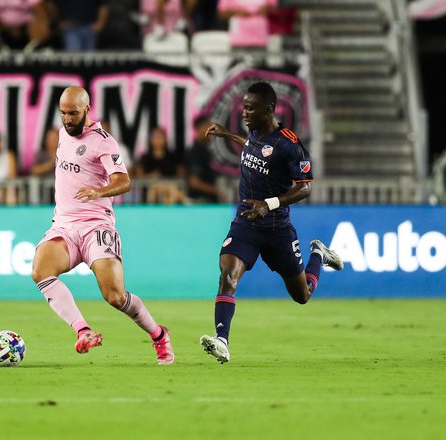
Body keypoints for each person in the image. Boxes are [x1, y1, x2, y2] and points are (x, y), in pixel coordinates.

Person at [199, 81, 343, 364]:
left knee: (302, 295)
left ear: (268, 110)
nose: (244, 113)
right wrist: (226, 134)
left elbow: (305, 187)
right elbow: (252, 148)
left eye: (250, 108)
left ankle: (318, 253)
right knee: (227, 277)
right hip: (246, 222)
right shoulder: (254, 132)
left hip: (277, 226)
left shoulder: (290, 145)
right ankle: (222, 341)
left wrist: (270, 203)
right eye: (244, 107)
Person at [30, 86, 174, 364]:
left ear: (87, 109)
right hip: (65, 226)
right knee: (40, 270)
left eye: (73, 113)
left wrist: (99, 192)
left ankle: (158, 335)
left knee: (115, 296)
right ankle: (83, 331)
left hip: (97, 227)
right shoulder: (62, 134)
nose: (68, 119)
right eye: (63, 113)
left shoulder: (103, 142)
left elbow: (124, 181)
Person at [136, 125, 185, 204]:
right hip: (152, 189)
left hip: (170, 189)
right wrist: (150, 176)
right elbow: (139, 178)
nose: (158, 140)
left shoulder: (174, 157)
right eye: (155, 137)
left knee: (172, 190)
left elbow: (181, 176)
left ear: (165, 139)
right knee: (153, 190)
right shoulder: (145, 158)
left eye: (160, 137)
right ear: (150, 140)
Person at [186, 114, 224, 203]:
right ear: (199, 128)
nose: (212, 131)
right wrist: (216, 191)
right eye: (208, 126)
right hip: (200, 203)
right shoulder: (196, 151)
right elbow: (194, 182)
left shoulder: (204, 150)